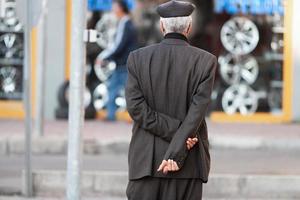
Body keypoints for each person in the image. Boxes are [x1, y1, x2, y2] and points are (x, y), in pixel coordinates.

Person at [125, 0, 217, 199]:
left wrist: (176, 134)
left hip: (145, 164)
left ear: (162, 26)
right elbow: (197, 113)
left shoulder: (137, 58)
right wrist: (180, 143)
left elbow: (137, 109)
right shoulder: (206, 61)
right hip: (188, 164)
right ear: (189, 27)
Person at [96, 0, 137, 121]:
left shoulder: (125, 23)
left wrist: (106, 57)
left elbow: (119, 44)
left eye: (114, 7)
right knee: (125, 90)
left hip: (123, 63)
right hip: (124, 62)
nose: (113, 9)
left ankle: (113, 116)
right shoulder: (126, 22)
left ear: (120, 8)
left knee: (122, 90)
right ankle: (114, 115)